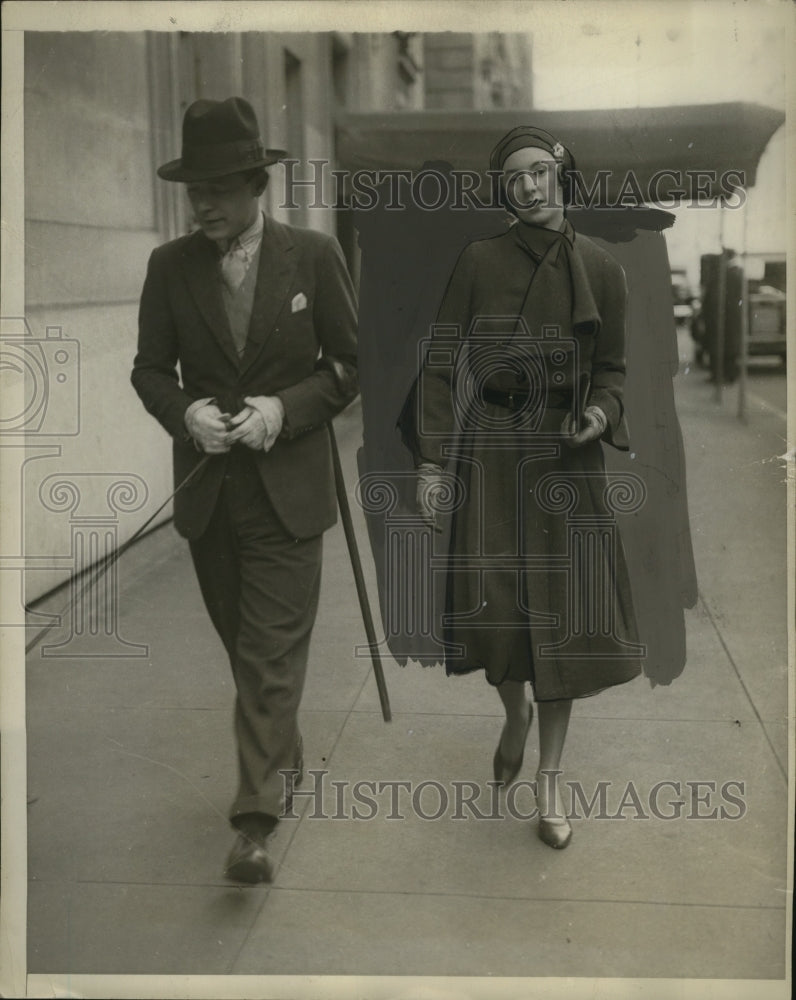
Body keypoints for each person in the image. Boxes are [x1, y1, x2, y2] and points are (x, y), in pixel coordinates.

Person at [131, 97, 358, 882]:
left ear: (257, 184)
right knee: (246, 650)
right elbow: (149, 370)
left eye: (221, 185)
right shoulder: (170, 266)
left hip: (289, 496)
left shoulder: (315, 257)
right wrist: (185, 411)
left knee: (266, 658)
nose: (203, 201)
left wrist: (281, 411)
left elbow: (350, 368)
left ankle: (253, 823)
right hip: (209, 497)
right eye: (195, 185)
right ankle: (279, 745)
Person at [413, 126, 643, 849]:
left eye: (540, 172)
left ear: (562, 174)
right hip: (492, 452)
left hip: (566, 463)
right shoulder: (479, 260)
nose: (530, 186)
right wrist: (431, 462)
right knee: (500, 612)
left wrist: (600, 413)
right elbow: (444, 362)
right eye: (514, 179)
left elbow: (613, 369)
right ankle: (511, 712)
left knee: (563, 625)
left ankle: (550, 782)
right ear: (504, 192)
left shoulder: (603, 268)